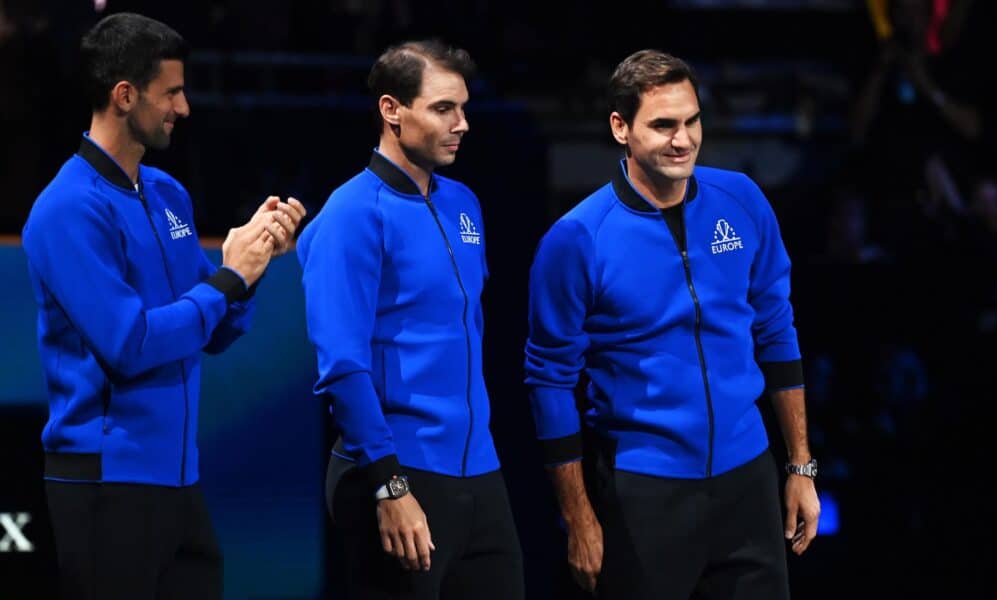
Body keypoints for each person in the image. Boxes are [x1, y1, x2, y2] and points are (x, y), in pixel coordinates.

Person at [20, 12, 306, 600]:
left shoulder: (168, 192)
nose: (184, 107)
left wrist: (250, 262)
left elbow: (212, 328)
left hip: (179, 479)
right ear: (125, 95)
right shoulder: (67, 208)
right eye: (172, 92)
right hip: (105, 484)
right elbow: (130, 345)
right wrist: (229, 278)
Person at [524, 49, 820, 600]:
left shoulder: (743, 200)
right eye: (663, 125)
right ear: (621, 127)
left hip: (748, 480)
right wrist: (578, 517)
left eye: (692, 121)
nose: (683, 139)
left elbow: (777, 332)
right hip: (645, 493)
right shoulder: (577, 238)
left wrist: (800, 466)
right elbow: (549, 381)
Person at [296, 39, 524, 600]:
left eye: (464, 108)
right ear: (392, 111)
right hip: (397, 470)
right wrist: (388, 486)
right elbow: (342, 367)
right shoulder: (352, 215)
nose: (462, 124)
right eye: (444, 109)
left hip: (479, 469)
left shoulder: (464, 202)